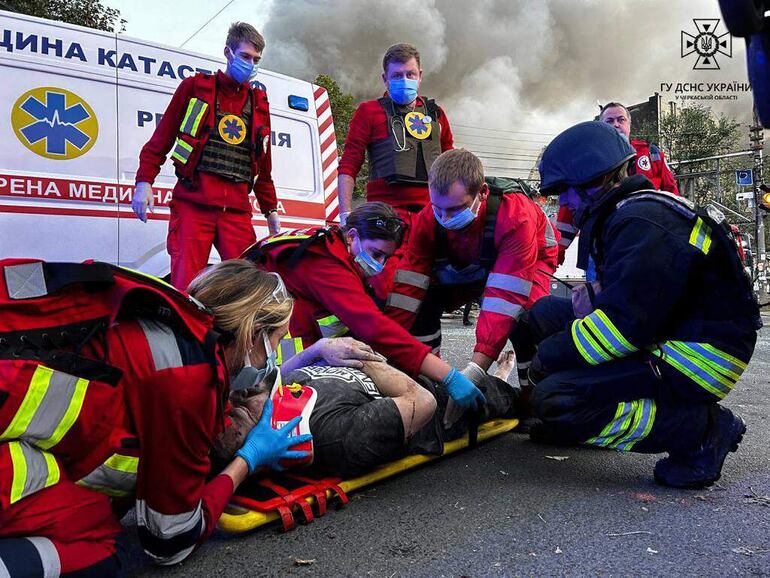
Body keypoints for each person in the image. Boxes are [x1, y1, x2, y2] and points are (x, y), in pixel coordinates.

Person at [0, 259, 317, 575]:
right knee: (105, 550)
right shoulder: (190, 376)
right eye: (277, 341)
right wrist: (248, 459)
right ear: (252, 335)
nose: (275, 358)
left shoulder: (162, 310)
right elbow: (170, 539)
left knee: (93, 508)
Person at [527, 121, 761, 489]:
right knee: (540, 315)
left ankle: (701, 432)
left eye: (564, 191)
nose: (565, 202)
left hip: (697, 357)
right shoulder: (626, 214)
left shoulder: (643, 223)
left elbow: (622, 328)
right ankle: (555, 411)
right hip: (667, 334)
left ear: (592, 181)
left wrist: (552, 356)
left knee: (557, 399)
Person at [244, 201, 487, 411]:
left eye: (386, 257)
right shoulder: (326, 263)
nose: (380, 264)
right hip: (259, 348)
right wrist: (448, 375)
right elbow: (373, 327)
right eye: (376, 253)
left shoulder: (333, 249)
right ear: (352, 236)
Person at [385, 149, 560, 396]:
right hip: (473, 261)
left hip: (529, 259)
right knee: (423, 303)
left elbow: (504, 301)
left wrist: (475, 371)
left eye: (456, 209)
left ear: (482, 193)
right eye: (438, 207)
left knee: (525, 319)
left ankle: (532, 399)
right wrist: (387, 345)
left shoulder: (515, 217)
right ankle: (428, 384)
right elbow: (408, 289)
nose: (444, 218)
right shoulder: (429, 217)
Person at [213, 348, 520, 480]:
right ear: (249, 436)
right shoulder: (335, 436)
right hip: (440, 403)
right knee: (501, 397)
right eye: (237, 411)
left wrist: (322, 346)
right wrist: (362, 354)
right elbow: (422, 402)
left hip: (397, 372)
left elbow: (279, 372)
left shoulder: (272, 396)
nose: (240, 395)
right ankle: (503, 379)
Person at [132, 22, 280, 290]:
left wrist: (271, 211)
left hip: (236, 211)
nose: (251, 64)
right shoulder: (195, 89)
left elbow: (263, 165)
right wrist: (144, 182)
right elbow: (162, 138)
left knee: (247, 287)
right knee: (185, 286)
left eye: (256, 59)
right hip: (193, 205)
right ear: (228, 52)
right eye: (245, 56)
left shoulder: (259, 103)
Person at [336, 43, 454, 296]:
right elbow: (349, 164)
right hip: (386, 219)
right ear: (385, 79)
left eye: (410, 74)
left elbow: (450, 167)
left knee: (430, 290)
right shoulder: (368, 112)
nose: (404, 80)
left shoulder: (436, 115)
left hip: (430, 217)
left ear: (420, 75)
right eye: (397, 75)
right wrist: (345, 214)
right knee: (387, 289)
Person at [554, 102, 679, 264]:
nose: (616, 124)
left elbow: (673, 197)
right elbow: (570, 208)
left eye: (621, 120)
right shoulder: (588, 161)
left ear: (629, 124)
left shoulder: (652, 155)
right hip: (604, 246)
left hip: (649, 244)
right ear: (601, 127)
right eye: (609, 121)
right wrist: (557, 251)